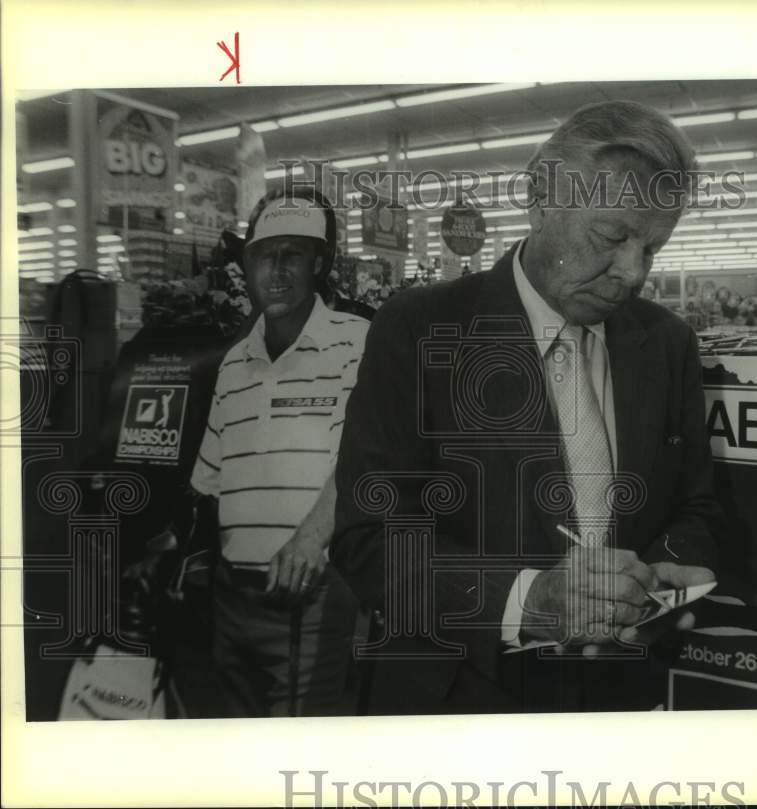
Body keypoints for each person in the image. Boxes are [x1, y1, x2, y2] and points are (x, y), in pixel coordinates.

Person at [293, 100, 724, 714]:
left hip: (619, 703)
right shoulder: (418, 330)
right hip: (460, 704)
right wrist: (529, 601)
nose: (632, 273)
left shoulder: (667, 342)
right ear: (541, 196)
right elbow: (370, 538)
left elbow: (696, 506)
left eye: (652, 248)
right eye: (613, 236)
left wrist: (661, 575)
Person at [188, 187, 370, 717]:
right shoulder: (233, 362)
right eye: (264, 256)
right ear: (247, 267)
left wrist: (312, 542)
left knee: (299, 748)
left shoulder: (355, 340)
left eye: (293, 254)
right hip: (232, 599)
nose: (277, 270)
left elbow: (360, 457)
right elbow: (210, 478)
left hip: (309, 596)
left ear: (320, 263)